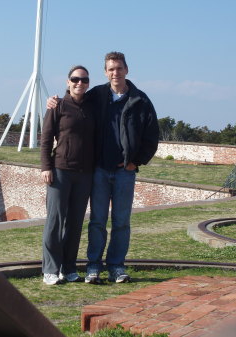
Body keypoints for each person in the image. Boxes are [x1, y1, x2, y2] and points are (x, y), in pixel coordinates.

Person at [47, 52, 159, 284]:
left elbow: (151, 136)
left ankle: (116, 266)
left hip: (124, 172)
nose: (115, 73)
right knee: (97, 221)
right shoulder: (97, 95)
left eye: (118, 68)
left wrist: (135, 161)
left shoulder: (141, 100)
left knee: (121, 222)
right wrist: (53, 101)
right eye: (110, 69)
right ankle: (93, 266)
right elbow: (73, 101)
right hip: (98, 169)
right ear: (106, 72)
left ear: (126, 70)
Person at [40, 65, 95, 285]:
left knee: (75, 222)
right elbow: (45, 138)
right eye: (75, 79)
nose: (79, 83)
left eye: (84, 80)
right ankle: (50, 269)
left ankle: (69, 267)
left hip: (84, 173)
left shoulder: (92, 106)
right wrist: (46, 167)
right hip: (60, 170)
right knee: (55, 221)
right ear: (67, 82)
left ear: (88, 83)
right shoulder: (58, 105)